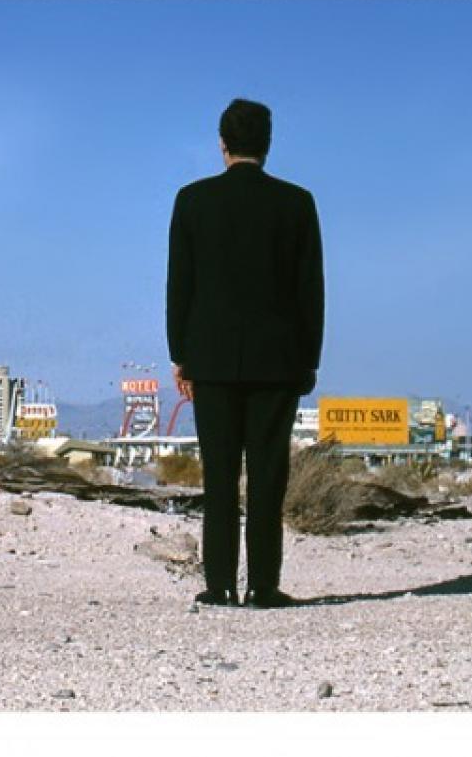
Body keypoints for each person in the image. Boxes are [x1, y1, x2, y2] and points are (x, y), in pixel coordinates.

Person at [165, 97, 325, 610]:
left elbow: (179, 287)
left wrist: (180, 355)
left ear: (222, 143)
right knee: (267, 476)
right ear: (268, 144)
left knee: (219, 477)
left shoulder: (192, 200)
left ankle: (219, 585)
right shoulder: (297, 203)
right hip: (277, 361)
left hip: (210, 360)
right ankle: (263, 585)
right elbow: (310, 291)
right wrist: (309, 359)